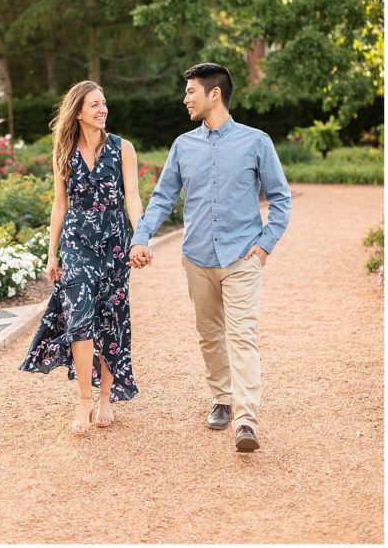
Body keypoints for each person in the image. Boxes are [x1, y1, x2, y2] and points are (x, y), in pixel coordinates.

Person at [129, 63, 291, 453]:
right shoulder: (183, 146)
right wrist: (141, 236)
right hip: (197, 257)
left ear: (213, 93)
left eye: (190, 92)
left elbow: (280, 199)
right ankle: (222, 397)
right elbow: (163, 198)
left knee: (243, 335)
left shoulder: (256, 142)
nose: (185, 99)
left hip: (241, 256)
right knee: (209, 334)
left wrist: (265, 244)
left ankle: (246, 420)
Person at [20, 80, 145, 435]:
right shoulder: (63, 152)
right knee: (80, 317)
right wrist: (51, 253)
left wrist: (142, 237)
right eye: (94, 104)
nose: (102, 109)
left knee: (111, 317)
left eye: (104, 103)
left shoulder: (124, 148)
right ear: (78, 111)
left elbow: (132, 199)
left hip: (115, 243)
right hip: (77, 243)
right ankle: (84, 400)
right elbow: (60, 206)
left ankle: (106, 395)